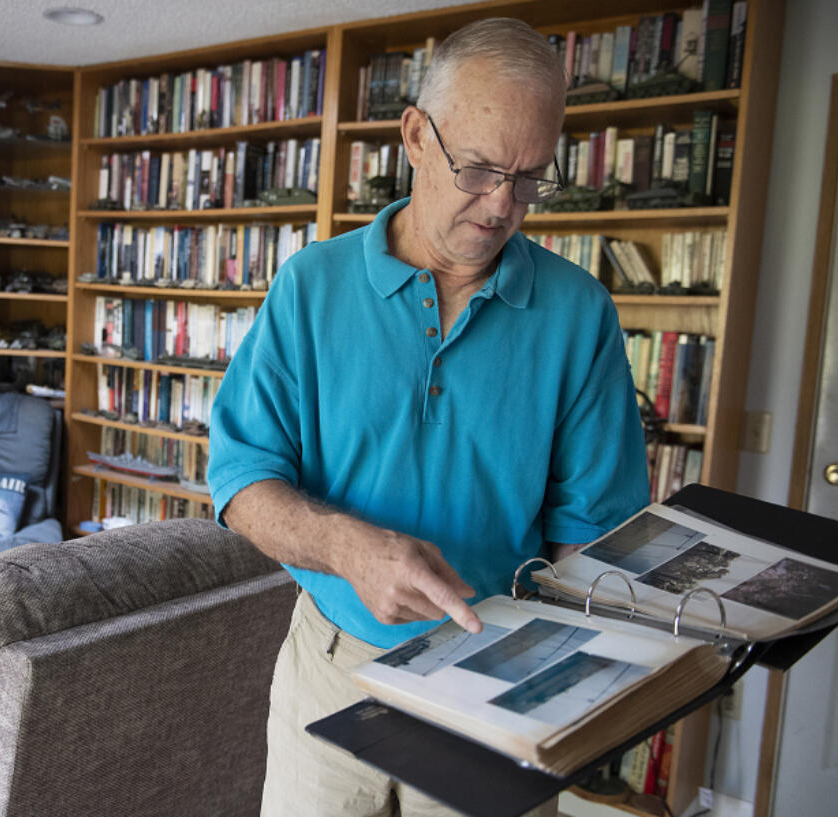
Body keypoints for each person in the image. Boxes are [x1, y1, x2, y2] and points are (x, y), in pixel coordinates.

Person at [206, 17, 651, 817]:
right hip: (328, 668)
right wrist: (351, 549)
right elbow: (240, 480)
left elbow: (591, 534)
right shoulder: (309, 286)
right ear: (415, 135)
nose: (502, 205)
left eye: (529, 179)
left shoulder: (581, 314)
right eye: (479, 169)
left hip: (494, 676)